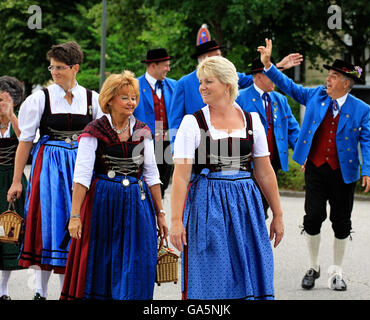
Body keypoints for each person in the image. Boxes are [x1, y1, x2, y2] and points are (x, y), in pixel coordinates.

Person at [258, 38, 370, 291]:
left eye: (333, 76)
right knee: (312, 217)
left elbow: (367, 141)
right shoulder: (315, 95)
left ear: (346, 83)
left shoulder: (361, 109)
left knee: (342, 222)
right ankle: (313, 267)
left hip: (344, 172)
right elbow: (288, 86)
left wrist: (368, 171)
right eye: (329, 75)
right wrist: (269, 66)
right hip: (315, 168)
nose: (328, 80)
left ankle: (337, 272)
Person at [170, 56, 284, 300]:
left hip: (247, 207)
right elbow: (180, 177)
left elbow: (264, 172)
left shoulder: (252, 121)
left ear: (227, 85)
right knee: (213, 271)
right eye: (201, 81)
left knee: (251, 268)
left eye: (208, 81)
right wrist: (176, 220)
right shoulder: (192, 123)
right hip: (208, 205)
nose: (202, 87)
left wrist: (278, 214)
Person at [6, 41, 103, 300]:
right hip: (49, 167)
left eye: (60, 67)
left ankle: (71, 290)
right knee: (48, 223)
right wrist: (17, 181)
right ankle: (40, 290)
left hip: (82, 167)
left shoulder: (93, 99)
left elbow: (103, 139)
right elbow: (25, 142)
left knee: (78, 223)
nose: (55, 72)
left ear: (75, 68)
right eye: (52, 67)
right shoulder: (40, 98)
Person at [61, 70, 168, 300]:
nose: (131, 103)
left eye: (134, 98)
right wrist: (75, 215)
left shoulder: (142, 130)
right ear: (109, 99)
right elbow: (81, 176)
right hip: (102, 204)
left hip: (138, 205)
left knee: (136, 261)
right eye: (125, 97)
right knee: (102, 260)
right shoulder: (94, 131)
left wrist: (160, 213)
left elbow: (151, 174)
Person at [168, 39, 303, 141]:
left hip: (226, 141)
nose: (222, 58)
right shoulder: (183, 84)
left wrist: (277, 67)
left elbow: (255, 79)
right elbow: (175, 121)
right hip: (197, 145)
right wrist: (176, 151)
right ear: (206, 59)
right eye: (218, 55)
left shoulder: (230, 77)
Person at [236, 58, 300, 215]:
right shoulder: (240, 98)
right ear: (258, 76)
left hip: (273, 163)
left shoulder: (280, 100)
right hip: (248, 164)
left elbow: (292, 130)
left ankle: (259, 237)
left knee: (264, 206)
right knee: (249, 209)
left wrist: (303, 155)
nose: (276, 79)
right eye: (271, 75)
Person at [134, 48, 177, 198]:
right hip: (142, 141)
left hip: (166, 141)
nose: (168, 68)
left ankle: (159, 216)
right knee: (144, 183)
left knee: (162, 184)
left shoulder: (174, 86)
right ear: (153, 65)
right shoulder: (135, 85)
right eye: (165, 65)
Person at [0, 76, 26, 300]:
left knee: (9, 233)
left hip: (12, 180)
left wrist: (11, 116)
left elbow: (26, 141)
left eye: (4, 99)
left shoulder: (19, 120)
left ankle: (3, 290)